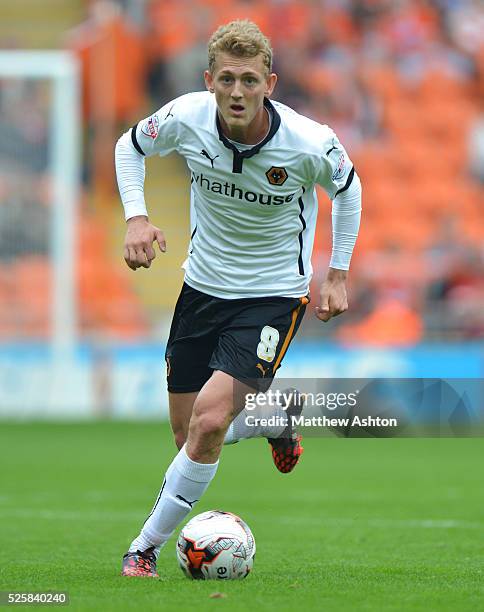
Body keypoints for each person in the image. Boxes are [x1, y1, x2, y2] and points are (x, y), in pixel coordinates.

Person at [115, 19, 361, 578]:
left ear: (270, 83)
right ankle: (276, 418)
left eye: (249, 80)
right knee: (188, 435)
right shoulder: (185, 117)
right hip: (201, 288)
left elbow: (349, 189)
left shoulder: (308, 141)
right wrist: (136, 216)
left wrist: (338, 272)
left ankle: (144, 548)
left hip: (271, 296)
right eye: (226, 79)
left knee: (206, 426)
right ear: (208, 80)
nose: (236, 92)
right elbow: (129, 148)